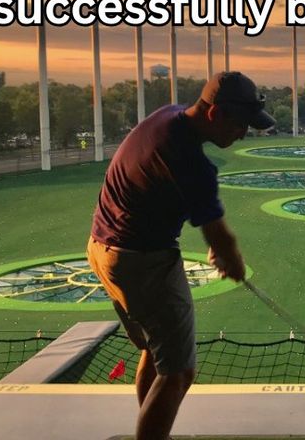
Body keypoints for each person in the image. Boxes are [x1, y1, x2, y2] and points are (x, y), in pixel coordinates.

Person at [87, 71, 273, 440]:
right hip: (141, 262)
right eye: (240, 124)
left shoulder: (166, 117)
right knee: (178, 372)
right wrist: (231, 261)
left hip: (101, 249)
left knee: (156, 353)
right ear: (214, 114)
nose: (243, 133)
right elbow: (222, 239)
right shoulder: (193, 163)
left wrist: (219, 246)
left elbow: (169, 197)